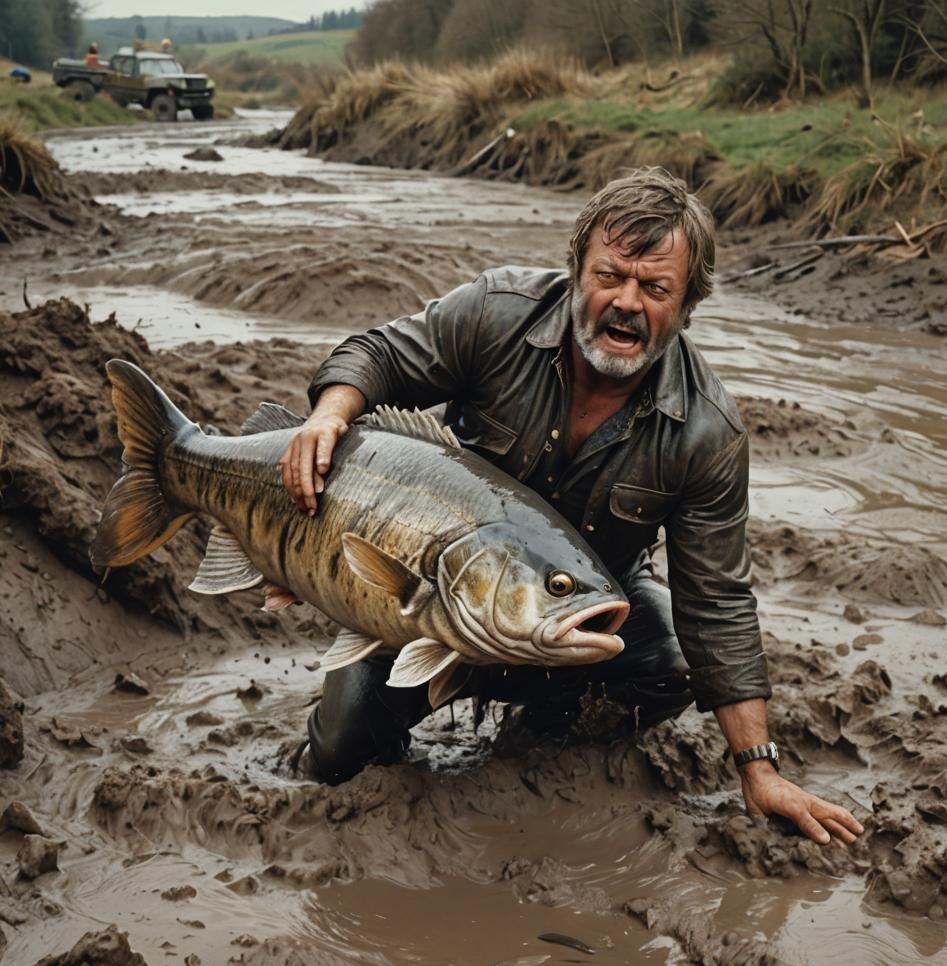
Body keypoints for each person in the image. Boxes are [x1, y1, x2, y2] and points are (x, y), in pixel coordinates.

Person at [279, 166, 864, 848]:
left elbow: (719, 604)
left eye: (654, 288)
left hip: (570, 619)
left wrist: (758, 770)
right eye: (609, 276)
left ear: (686, 304)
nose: (626, 302)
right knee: (334, 761)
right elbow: (377, 354)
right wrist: (328, 416)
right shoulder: (496, 314)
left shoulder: (706, 433)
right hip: (431, 605)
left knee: (669, 661)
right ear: (577, 271)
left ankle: (539, 731)